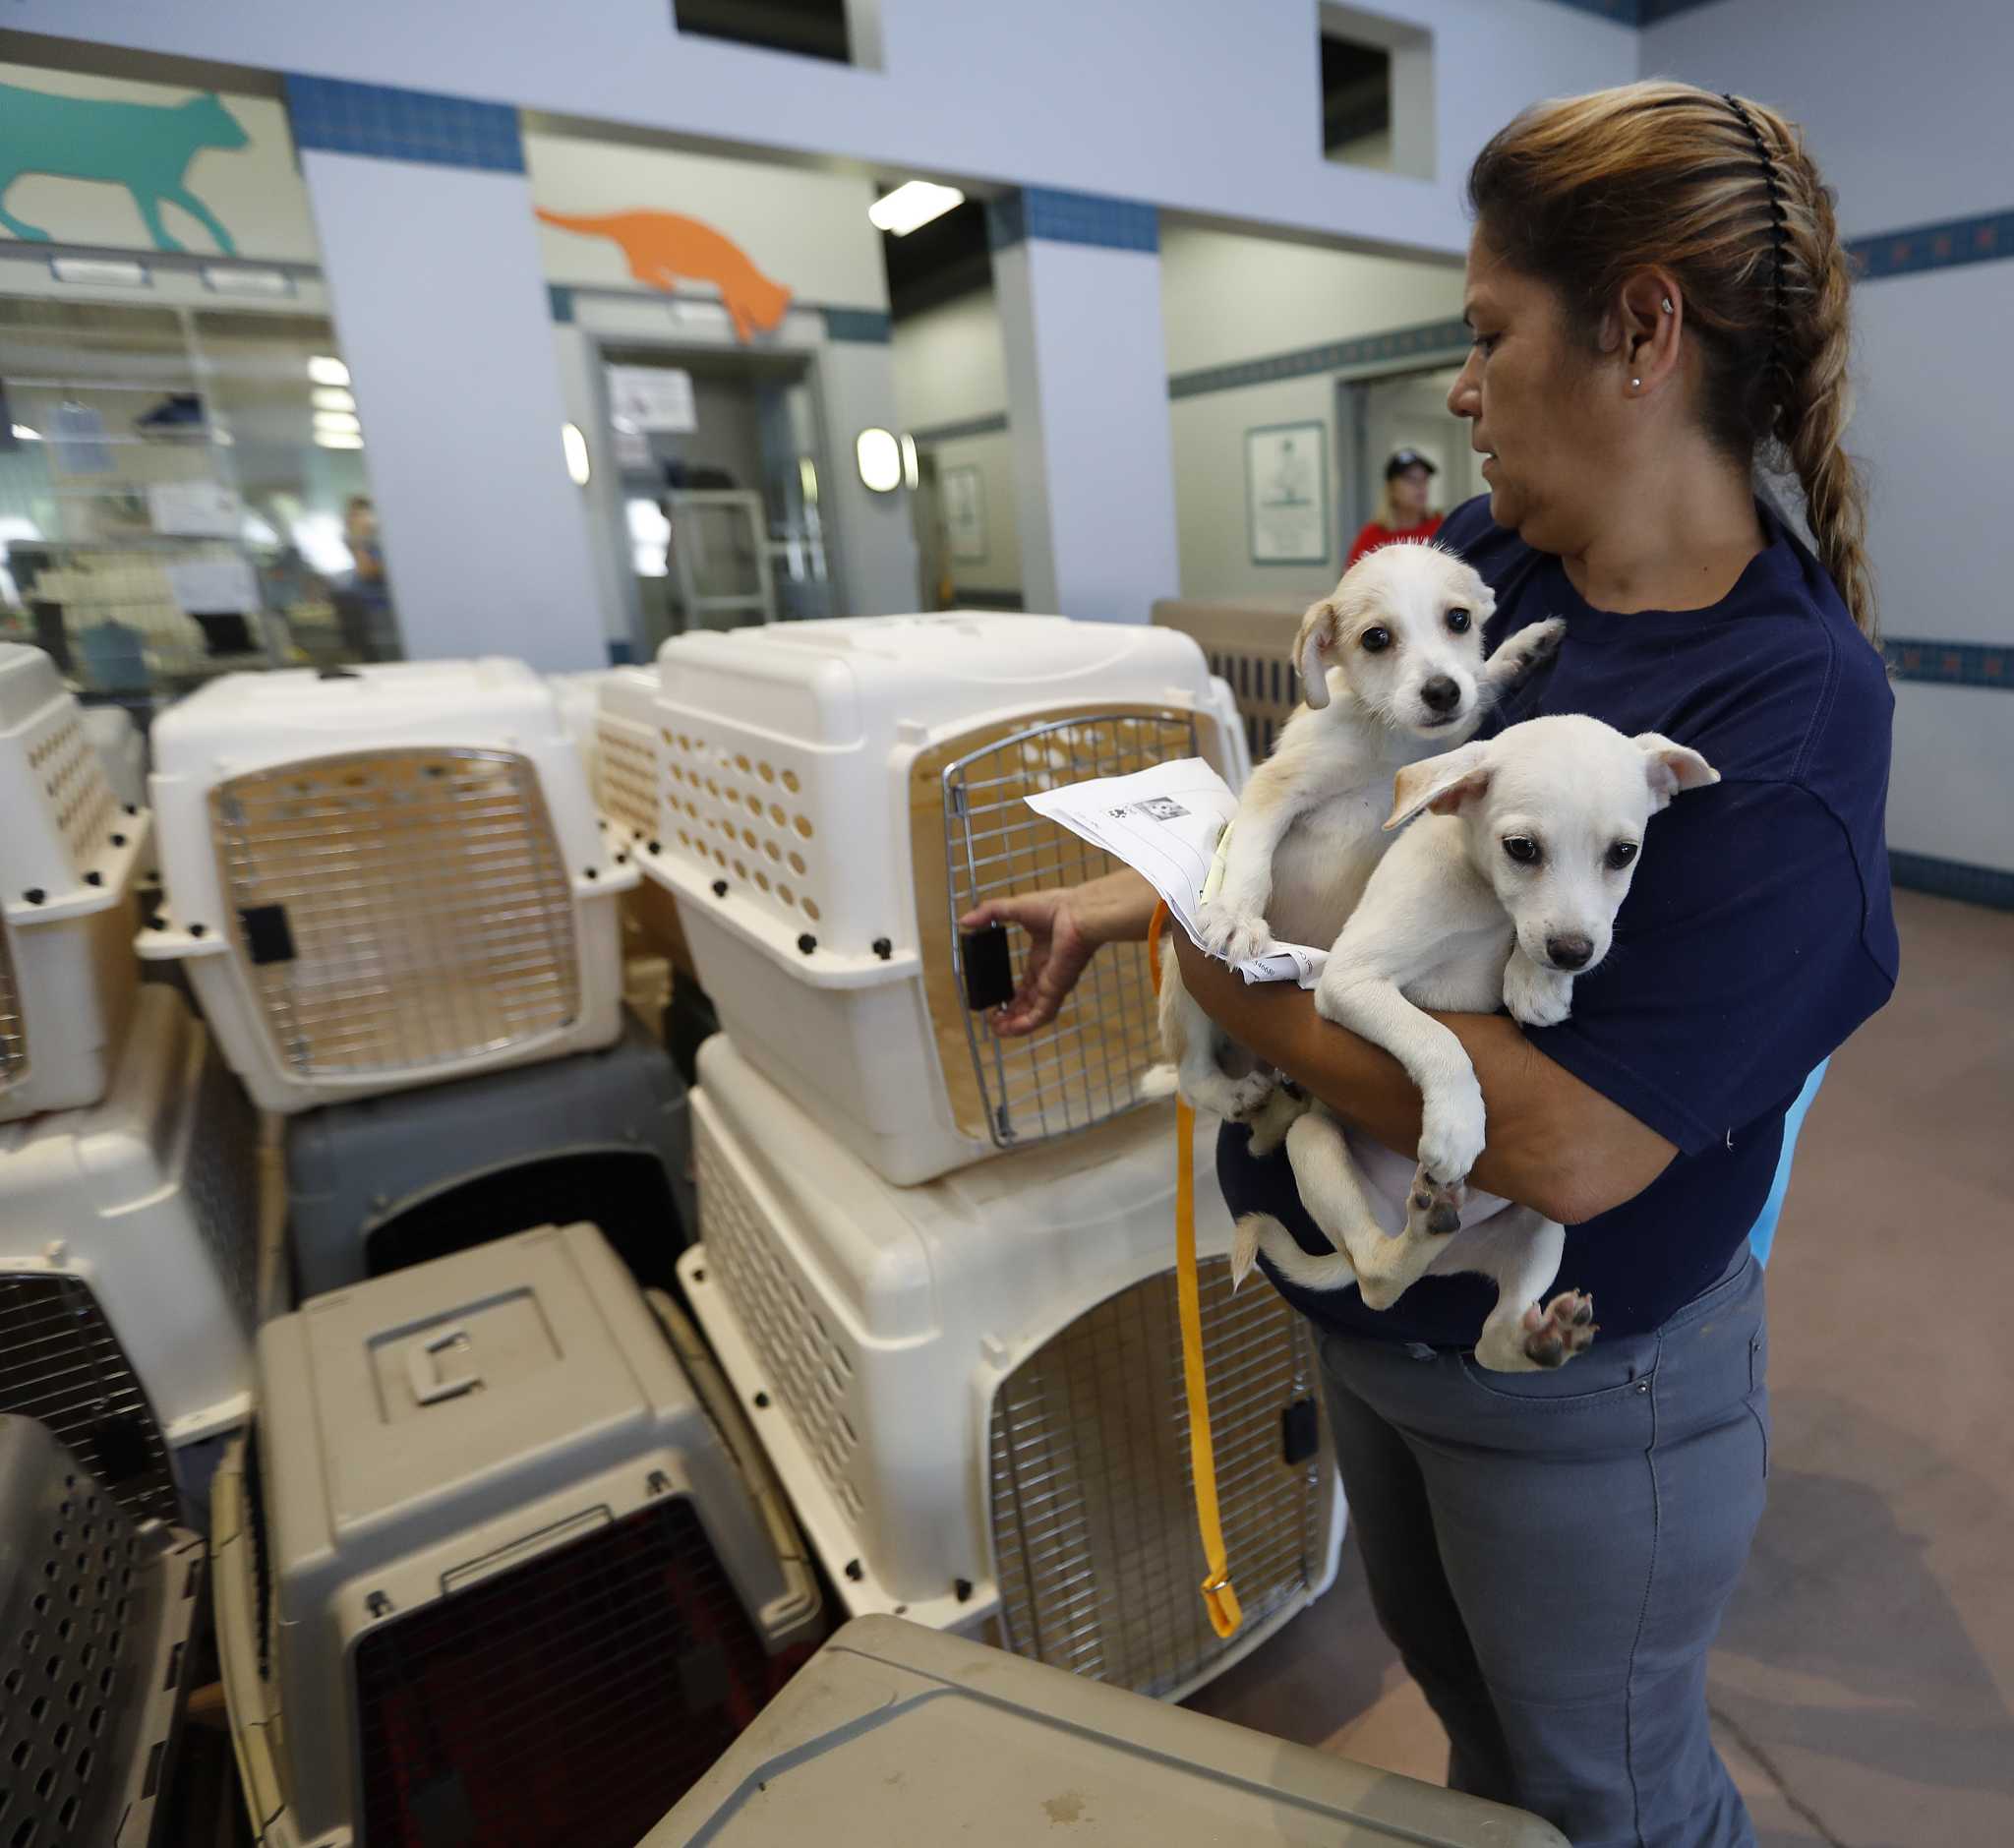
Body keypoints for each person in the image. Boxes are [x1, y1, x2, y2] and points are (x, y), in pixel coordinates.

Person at [961, 80, 1895, 1847]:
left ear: (1638, 330)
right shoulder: (1479, 563)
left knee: (1604, 1796)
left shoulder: (1779, 718)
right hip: (1373, 1312)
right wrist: (1132, 891)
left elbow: (1560, 1144)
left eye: (1483, 334)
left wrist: (1210, 953)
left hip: (1573, 1384)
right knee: (1483, 1752)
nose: (1455, 392)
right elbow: (1321, 787)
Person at [1345, 447, 1443, 566]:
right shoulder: (1372, 535)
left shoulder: (1441, 528)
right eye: (1411, 479)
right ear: (1391, 488)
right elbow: (1352, 580)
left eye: (1424, 479)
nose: (1420, 486)